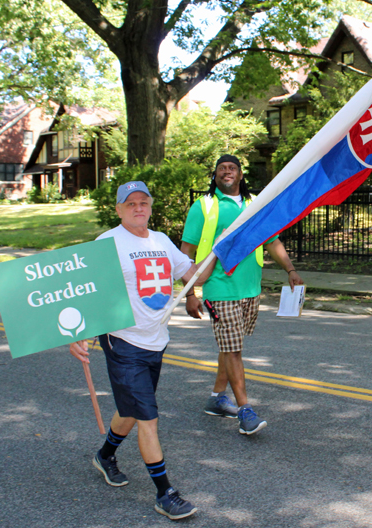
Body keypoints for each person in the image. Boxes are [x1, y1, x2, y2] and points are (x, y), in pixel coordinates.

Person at [69, 181, 216, 521]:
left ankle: (105, 455)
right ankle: (165, 493)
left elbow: (189, 274)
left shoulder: (161, 240)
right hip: (123, 341)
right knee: (148, 418)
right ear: (119, 209)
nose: (138, 207)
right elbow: (86, 290)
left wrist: (218, 254)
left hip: (156, 339)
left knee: (132, 409)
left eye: (143, 202)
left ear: (150, 206)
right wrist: (79, 333)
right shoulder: (107, 243)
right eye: (130, 203)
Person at [180, 155, 304, 435]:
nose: (227, 171)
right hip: (218, 287)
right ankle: (245, 410)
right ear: (215, 175)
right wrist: (189, 292)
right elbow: (185, 253)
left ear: (240, 174)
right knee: (233, 349)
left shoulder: (255, 204)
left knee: (230, 346)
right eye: (222, 168)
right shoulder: (203, 206)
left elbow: (272, 241)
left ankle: (216, 399)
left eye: (232, 168)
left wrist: (290, 270)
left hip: (250, 288)